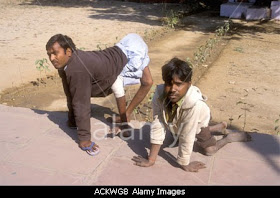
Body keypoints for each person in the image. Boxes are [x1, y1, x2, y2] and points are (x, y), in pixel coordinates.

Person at [132, 58, 251, 172]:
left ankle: (229, 138)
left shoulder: (194, 104)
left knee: (210, 150)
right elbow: (158, 123)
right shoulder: (159, 95)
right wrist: (151, 160)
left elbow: (187, 135)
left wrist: (184, 163)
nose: (173, 89)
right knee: (174, 137)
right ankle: (219, 127)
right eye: (169, 84)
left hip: (200, 120)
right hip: (180, 122)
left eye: (179, 84)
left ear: (189, 84)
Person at [45, 33, 153, 156]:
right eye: (49, 54)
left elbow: (81, 103)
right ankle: (124, 120)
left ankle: (125, 120)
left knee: (147, 82)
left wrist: (84, 139)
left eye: (55, 53)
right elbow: (70, 94)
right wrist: (72, 121)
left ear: (68, 52)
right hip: (120, 49)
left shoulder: (77, 69)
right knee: (115, 84)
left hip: (133, 49)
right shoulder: (65, 65)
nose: (51, 58)